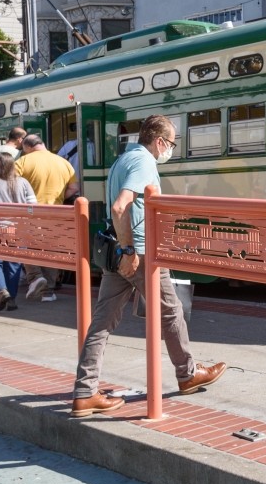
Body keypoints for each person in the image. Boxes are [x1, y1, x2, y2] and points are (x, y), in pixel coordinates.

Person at [70, 115, 227, 417]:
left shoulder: (122, 160)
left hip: (118, 254)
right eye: (170, 143)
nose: (169, 149)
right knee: (171, 312)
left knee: (102, 323)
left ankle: (84, 392)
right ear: (158, 141)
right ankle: (188, 374)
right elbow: (121, 206)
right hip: (139, 254)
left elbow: (116, 208)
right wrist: (131, 250)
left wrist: (123, 249)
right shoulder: (144, 163)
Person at [14, 133, 79, 301]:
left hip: (31, 212)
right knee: (52, 250)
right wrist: (58, 197)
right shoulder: (63, 162)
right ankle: (48, 292)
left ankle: (35, 277)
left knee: (26, 246)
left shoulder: (22, 162)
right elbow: (73, 188)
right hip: (56, 213)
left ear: (27, 147)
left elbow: (11, 186)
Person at [0, 152, 37, 312]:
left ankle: (2, 291)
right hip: (18, 229)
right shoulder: (23, 182)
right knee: (13, 264)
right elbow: (33, 206)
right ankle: (12, 299)